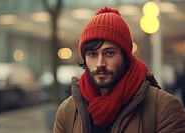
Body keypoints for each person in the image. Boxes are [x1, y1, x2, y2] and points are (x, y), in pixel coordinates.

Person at [53, 7, 185, 133]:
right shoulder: (67, 112)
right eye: (92, 54)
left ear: (125, 57)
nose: (100, 63)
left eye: (109, 53)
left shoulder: (163, 108)